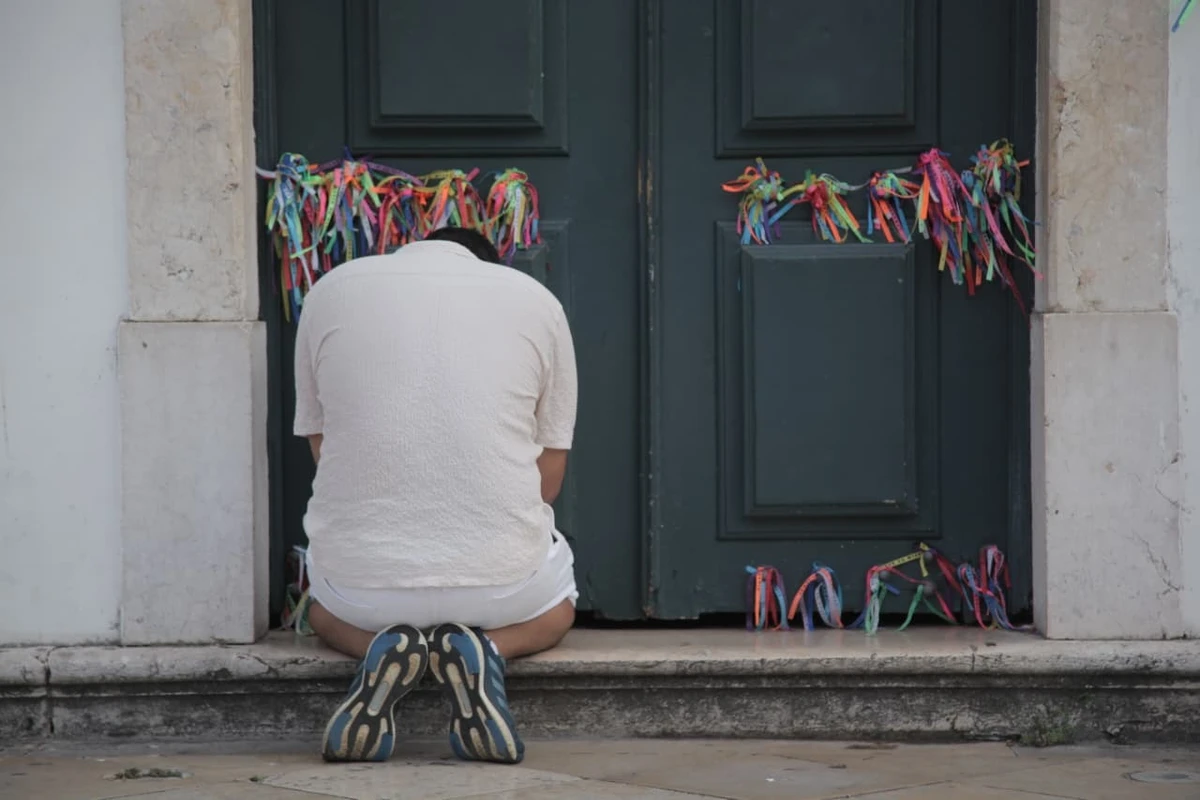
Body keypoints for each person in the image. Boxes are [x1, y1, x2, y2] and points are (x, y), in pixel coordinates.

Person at [292, 226, 579, 765]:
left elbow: (324, 447)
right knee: (560, 609)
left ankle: (393, 651)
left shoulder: (330, 291)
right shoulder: (538, 302)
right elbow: (550, 472)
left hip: (364, 593)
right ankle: (485, 653)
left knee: (322, 613)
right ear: (488, 265)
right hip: (503, 589)